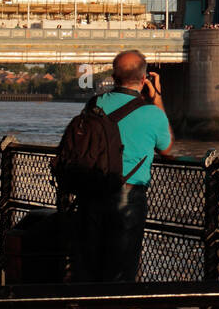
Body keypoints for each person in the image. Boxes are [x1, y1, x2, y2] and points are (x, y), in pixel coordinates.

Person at [69, 50, 175, 283]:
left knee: (90, 265)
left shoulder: (94, 105)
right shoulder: (151, 113)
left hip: (91, 192)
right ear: (144, 78)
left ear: (114, 77)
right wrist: (156, 97)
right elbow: (167, 149)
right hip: (128, 196)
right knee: (121, 268)